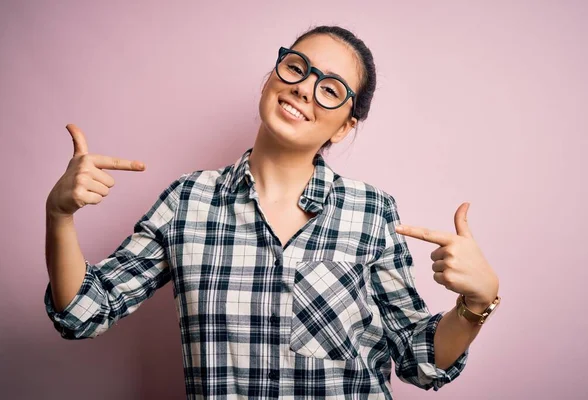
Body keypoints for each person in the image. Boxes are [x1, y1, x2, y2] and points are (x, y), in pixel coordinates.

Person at [44, 25, 500, 398]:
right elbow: (83, 312)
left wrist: (474, 306)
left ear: (345, 126)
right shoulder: (187, 201)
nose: (304, 88)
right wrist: (59, 216)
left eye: (331, 89)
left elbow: (418, 361)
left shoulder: (372, 212)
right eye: (296, 68)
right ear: (271, 78)